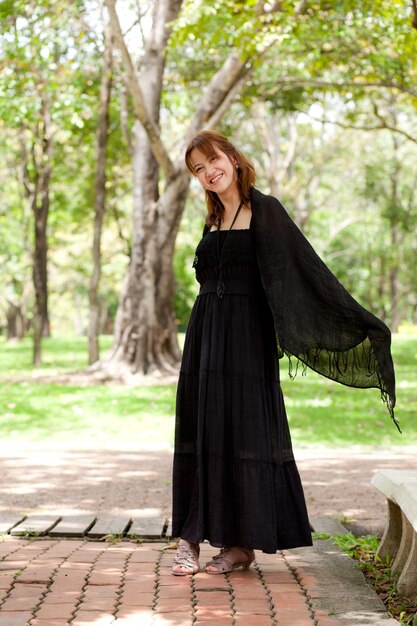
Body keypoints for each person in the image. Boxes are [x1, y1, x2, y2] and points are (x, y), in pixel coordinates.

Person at [171, 130, 397, 576]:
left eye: (212, 161)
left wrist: (359, 322)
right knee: (203, 426)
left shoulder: (265, 210)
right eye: (198, 169)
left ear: (232, 159)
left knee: (243, 433)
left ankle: (240, 547)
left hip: (246, 339)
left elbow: (303, 271)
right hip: (206, 335)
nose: (208, 172)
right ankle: (189, 539)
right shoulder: (212, 219)